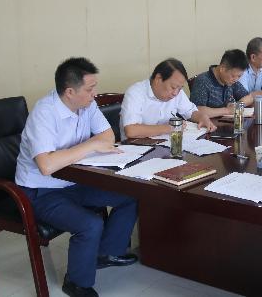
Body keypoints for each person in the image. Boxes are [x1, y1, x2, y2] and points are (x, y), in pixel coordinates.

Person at [15, 58, 138, 297]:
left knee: (131, 195)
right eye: (90, 89)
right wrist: (89, 145)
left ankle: (107, 252)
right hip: (40, 191)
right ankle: (75, 282)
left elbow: (108, 137)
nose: (95, 94)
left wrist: (85, 147)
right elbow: (46, 165)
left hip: (75, 180)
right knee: (90, 224)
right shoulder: (44, 113)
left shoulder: (86, 105)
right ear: (70, 92)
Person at [120, 58, 216, 139]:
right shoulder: (136, 92)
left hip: (166, 144)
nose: (176, 93)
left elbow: (190, 112)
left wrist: (202, 117)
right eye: (173, 87)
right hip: (137, 148)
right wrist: (171, 128)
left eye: (180, 88)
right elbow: (131, 131)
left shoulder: (177, 92)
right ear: (158, 79)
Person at [190, 49, 254, 117]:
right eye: (233, 76)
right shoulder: (203, 81)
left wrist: (238, 105)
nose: (236, 79)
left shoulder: (232, 81)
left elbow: (249, 97)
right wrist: (227, 110)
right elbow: (196, 110)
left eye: (239, 76)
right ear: (222, 69)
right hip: (210, 123)